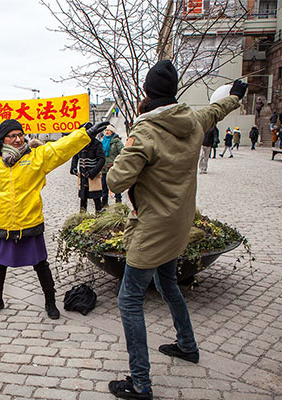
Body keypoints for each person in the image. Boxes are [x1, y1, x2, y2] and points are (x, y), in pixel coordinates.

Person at [105, 59, 247, 400]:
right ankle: (187, 345)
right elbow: (216, 109)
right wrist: (236, 97)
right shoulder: (193, 120)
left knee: (129, 300)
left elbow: (115, 180)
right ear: (173, 91)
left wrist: (118, 156)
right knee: (167, 281)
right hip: (179, 225)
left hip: (152, 230)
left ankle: (141, 384)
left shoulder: (145, 133)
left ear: (146, 93)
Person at [0, 118, 109, 320]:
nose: (18, 139)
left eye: (20, 134)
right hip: (2, 222)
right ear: (2, 138)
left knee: (40, 264)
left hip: (29, 220)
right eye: (12, 136)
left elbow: (61, 148)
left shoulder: (36, 156)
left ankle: (50, 302)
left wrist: (84, 135)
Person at [70, 131, 105, 212]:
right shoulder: (80, 144)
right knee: (83, 198)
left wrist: (92, 172)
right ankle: (82, 215)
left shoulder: (97, 144)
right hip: (82, 175)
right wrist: (73, 168)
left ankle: (98, 213)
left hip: (93, 176)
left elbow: (101, 159)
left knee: (96, 197)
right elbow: (75, 156)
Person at [101, 124, 124, 205]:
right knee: (104, 186)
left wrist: (115, 163)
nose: (107, 132)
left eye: (108, 130)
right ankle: (104, 202)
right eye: (106, 130)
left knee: (115, 184)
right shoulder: (102, 141)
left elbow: (122, 153)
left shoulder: (117, 142)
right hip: (104, 168)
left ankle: (118, 201)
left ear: (112, 132)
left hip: (113, 168)